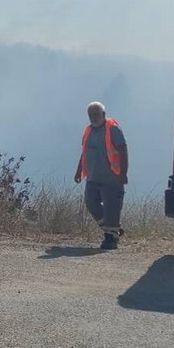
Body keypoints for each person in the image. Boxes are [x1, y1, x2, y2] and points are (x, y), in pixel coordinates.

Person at [74, 101, 129, 250]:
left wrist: (123, 174)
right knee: (91, 203)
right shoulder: (88, 131)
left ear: (103, 114)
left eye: (96, 114)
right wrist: (79, 170)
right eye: (91, 115)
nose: (93, 117)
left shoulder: (113, 129)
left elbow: (123, 151)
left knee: (112, 208)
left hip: (112, 178)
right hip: (92, 177)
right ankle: (112, 229)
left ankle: (111, 239)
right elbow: (85, 152)